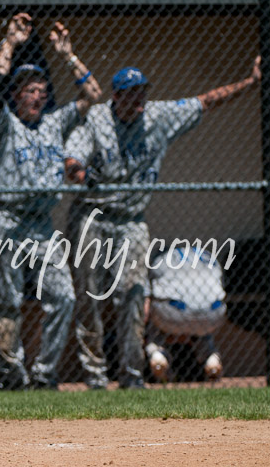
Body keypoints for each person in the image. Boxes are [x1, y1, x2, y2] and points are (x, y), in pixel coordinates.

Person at [64, 56, 260, 390]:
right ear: (115, 96)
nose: (138, 98)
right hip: (92, 215)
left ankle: (131, 374)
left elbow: (206, 101)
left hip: (131, 220)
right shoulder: (96, 118)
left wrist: (251, 82)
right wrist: (81, 175)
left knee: (133, 294)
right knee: (89, 296)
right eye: (130, 93)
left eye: (142, 91)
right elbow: (73, 160)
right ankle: (95, 375)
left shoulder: (159, 116)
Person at [0, 13, 101, 390]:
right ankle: (13, 372)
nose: (37, 95)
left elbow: (93, 95)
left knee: (63, 297)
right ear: (16, 95)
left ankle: (44, 374)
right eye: (28, 90)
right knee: (9, 302)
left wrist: (67, 55)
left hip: (42, 226)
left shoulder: (55, 122)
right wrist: (9, 43)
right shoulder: (5, 124)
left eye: (41, 90)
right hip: (8, 220)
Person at [145, 247, 226, 382]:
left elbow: (146, 299)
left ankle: (156, 353)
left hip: (172, 312)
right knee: (202, 328)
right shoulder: (206, 255)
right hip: (213, 312)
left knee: (155, 322)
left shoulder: (160, 258)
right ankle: (210, 357)